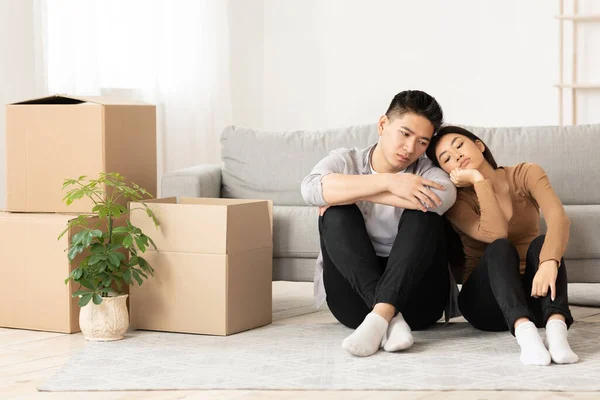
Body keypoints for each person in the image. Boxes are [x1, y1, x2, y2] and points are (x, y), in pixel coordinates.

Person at [300, 90, 457, 357]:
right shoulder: (346, 160)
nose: (411, 149)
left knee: (424, 213)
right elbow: (310, 188)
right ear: (383, 124)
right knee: (336, 213)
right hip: (354, 300)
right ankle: (389, 320)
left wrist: (347, 190)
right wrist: (389, 181)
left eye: (422, 142)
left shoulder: (425, 170)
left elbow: (444, 196)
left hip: (418, 299)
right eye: (405, 134)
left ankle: (381, 317)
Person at [426, 126, 578, 366]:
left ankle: (557, 332)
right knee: (499, 247)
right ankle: (526, 337)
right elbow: (496, 232)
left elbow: (558, 218)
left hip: (534, 296)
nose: (456, 156)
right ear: (445, 171)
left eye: (459, 145)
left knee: (543, 245)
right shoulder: (456, 201)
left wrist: (549, 262)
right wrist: (478, 180)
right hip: (486, 305)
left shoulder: (526, 173)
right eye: (446, 158)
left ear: (479, 145)